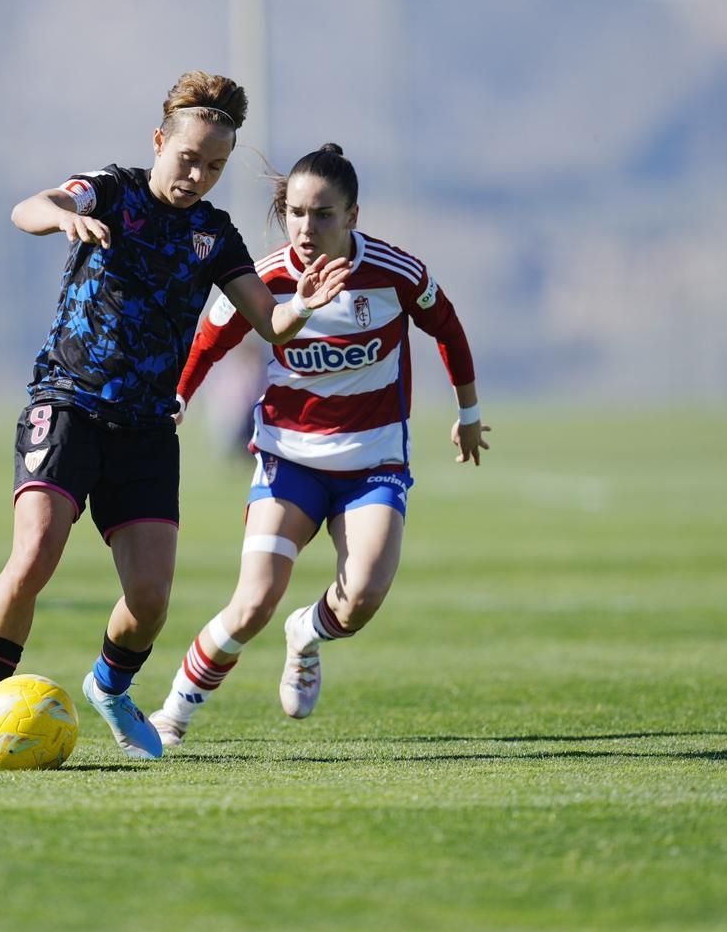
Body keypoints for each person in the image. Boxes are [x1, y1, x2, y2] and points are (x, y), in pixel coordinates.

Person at [0, 72, 352, 764]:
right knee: (35, 554)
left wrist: (302, 304)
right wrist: (61, 216)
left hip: (146, 429)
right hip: (68, 404)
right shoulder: (113, 189)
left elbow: (270, 323)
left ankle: (109, 686)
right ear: (160, 142)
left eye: (215, 166)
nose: (198, 175)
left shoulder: (212, 234)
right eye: (188, 157)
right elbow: (28, 207)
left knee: (152, 599)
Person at [146, 143, 490, 746]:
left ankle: (307, 631)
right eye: (297, 212)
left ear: (353, 216)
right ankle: (173, 712)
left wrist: (468, 413)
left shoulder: (395, 274)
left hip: (373, 465)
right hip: (289, 460)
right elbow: (206, 342)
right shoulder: (267, 278)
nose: (306, 227)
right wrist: (176, 402)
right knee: (253, 603)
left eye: (323, 214)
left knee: (361, 599)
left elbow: (449, 326)